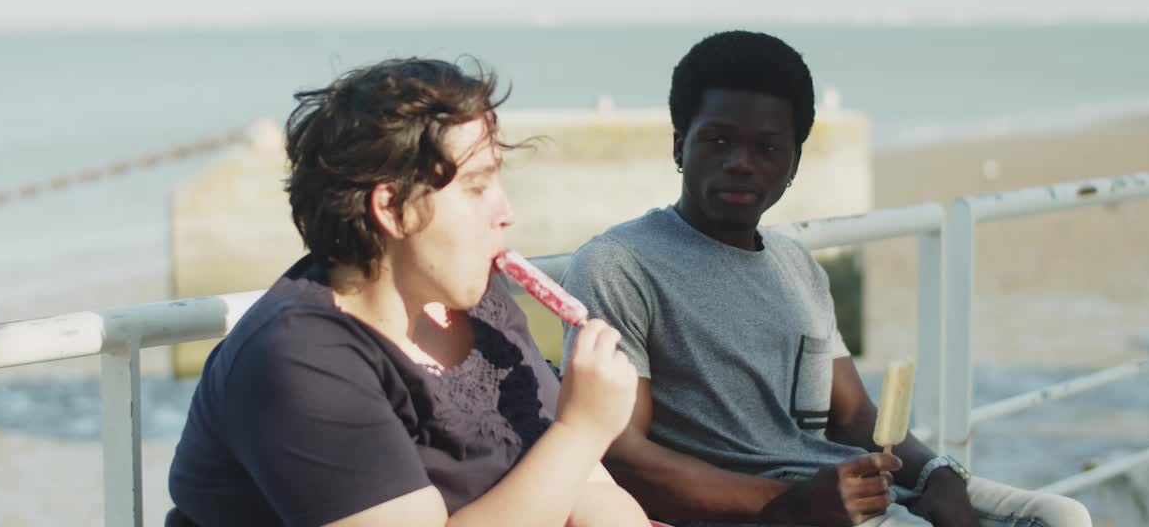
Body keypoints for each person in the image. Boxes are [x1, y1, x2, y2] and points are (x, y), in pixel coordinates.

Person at [561, 32, 1093, 527]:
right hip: (779, 511)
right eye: (719, 141)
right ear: (680, 146)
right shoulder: (620, 263)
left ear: (793, 164)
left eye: (767, 148)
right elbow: (623, 455)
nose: (741, 163)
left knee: (1060, 514)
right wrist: (792, 505)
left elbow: (855, 415)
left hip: (860, 495)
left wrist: (938, 474)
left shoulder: (799, 268)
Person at [168, 57, 646, 527]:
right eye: (477, 187)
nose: (506, 211)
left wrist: (580, 443)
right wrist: (581, 428)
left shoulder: (475, 298)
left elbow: (586, 488)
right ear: (392, 208)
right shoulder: (298, 361)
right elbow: (569, 454)